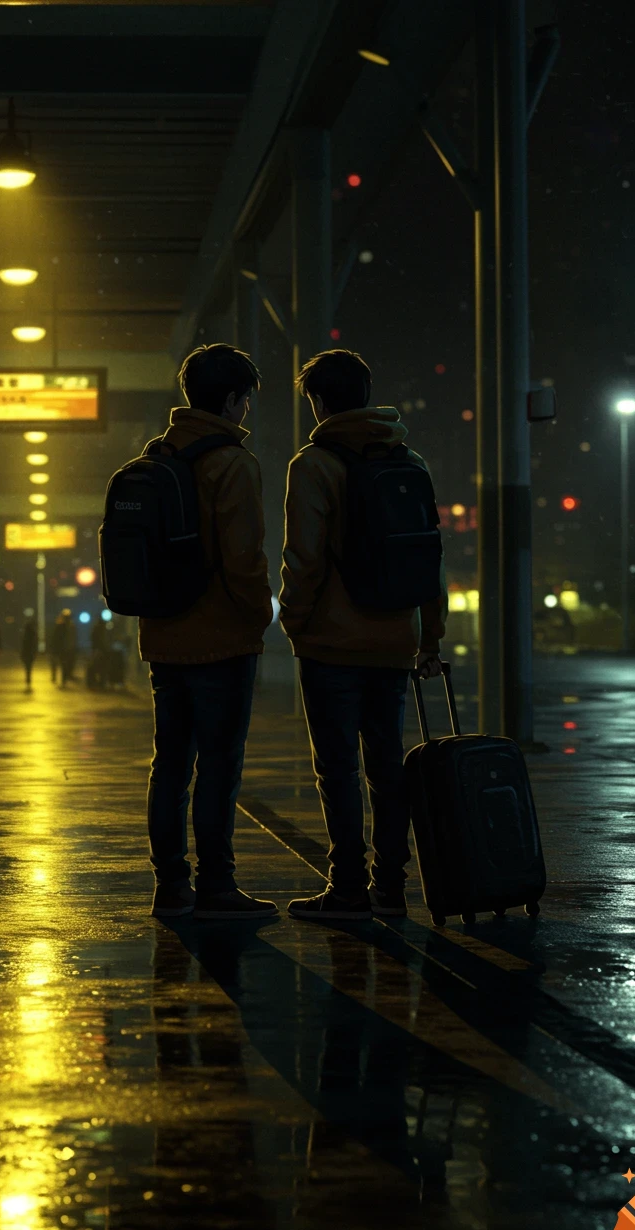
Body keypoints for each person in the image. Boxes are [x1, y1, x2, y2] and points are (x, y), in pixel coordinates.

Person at [279, 349, 448, 921]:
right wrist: (431, 636)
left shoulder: (314, 465)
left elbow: (302, 560)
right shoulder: (412, 462)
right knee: (387, 764)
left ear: (317, 402)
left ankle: (347, 886)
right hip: (396, 637)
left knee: (338, 769)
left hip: (331, 644)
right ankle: (392, 888)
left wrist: (294, 622)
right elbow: (429, 555)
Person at [140, 343, 276, 921]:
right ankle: (218, 887)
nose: (246, 411)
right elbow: (244, 560)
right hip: (221, 642)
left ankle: (171, 886)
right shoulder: (233, 464)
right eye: (245, 400)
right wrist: (259, 615)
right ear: (230, 399)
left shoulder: (155, 458)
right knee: (218, 766)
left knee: (170, 764)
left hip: (165, 639)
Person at [49, 609, 77, 687]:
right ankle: (61, 678)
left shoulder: (66, 626)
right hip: (63, 648)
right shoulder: (63, 626)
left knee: (63, 664)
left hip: (64, 649)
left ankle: (62, 678)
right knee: (61, 664)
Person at [89, 615, 110, 688]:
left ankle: (94, 682)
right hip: (99, 650)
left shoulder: (96, 629)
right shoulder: (100, 630)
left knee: (96, 666)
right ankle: (98, 682)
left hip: (98, 650)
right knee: (100, 667)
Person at [21, 619, 38, 688]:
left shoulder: (24, 634)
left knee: (27, 667)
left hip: (26, 652)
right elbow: (34, 644)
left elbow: (23, 644)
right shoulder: (33, 633)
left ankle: (28, 678)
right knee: (29, 667)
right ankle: (28, 678)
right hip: (30, 653)